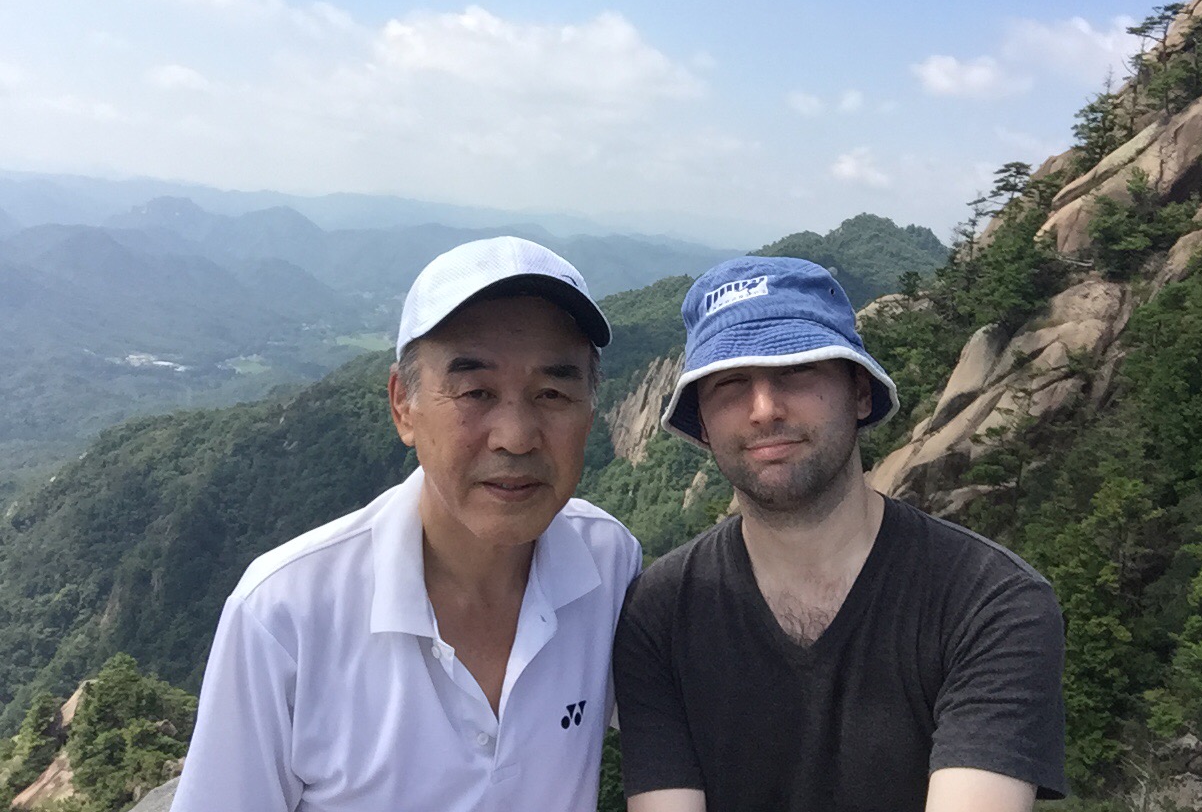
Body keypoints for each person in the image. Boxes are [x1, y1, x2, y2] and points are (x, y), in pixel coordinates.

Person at [172, 236, 641, 812]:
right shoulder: (284, 614)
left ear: (591, 411)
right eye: (475, 391)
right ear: (403, 405)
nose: (516, 437)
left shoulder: (610, 566)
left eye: (552, 392)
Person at [613, 255, 1066, 812]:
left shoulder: (989, 601)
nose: (764, 410)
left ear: (860, 392)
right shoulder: (659, 614)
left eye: (796, 369)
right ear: (702, 424)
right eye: (730, 383)